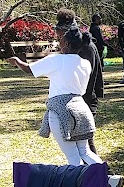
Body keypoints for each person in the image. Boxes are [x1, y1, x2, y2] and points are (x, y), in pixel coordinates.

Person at [6, 9, 102, 166]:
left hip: (61, 110)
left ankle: (78, 186)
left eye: (60, 40)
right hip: (81, 108)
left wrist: (16, 60)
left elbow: (29, 69)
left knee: (73, 157)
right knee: (86, 151)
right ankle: (106, 179)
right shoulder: (85, 63)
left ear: (66, 43)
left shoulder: (56, 60)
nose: (58, 42)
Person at [78, 20, 104, 154]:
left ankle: (104, 172)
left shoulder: (87, 48)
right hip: (84, 97)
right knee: (82, 142)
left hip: (87, 97)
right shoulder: (87, 46)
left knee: (86, 142)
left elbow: (88, 77)